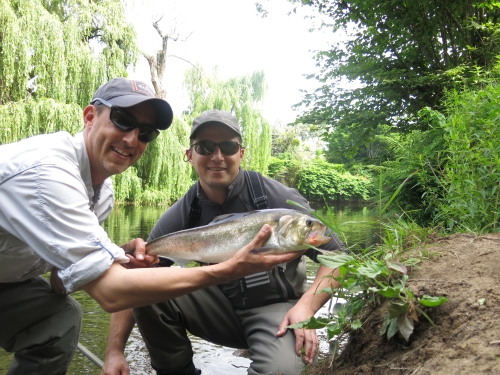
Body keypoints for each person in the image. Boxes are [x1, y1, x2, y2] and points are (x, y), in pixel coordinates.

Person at [0, 81, 301, 375]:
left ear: (241, 153)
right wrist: (225, 270)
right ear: (89, 117)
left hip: (10, 283)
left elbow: (59, 281)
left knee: (60, 317)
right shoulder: (49, 174)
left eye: (145, 133)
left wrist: (113, 256)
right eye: (122, 120)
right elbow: (111, 293)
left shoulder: (101, 194)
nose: (132, 140)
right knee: (68, 315)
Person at [102, 109, 345, 375]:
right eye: (205, 147)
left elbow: (340, 257)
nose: (217, 157)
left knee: (281, 372)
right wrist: (115, 352)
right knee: (146, 286)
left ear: (240, 154)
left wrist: (307, 307)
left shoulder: (277, 198)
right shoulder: (184, 212)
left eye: (228, 147)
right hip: (215, 310)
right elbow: (132, 280)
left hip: (276, 311)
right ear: (190, 155)